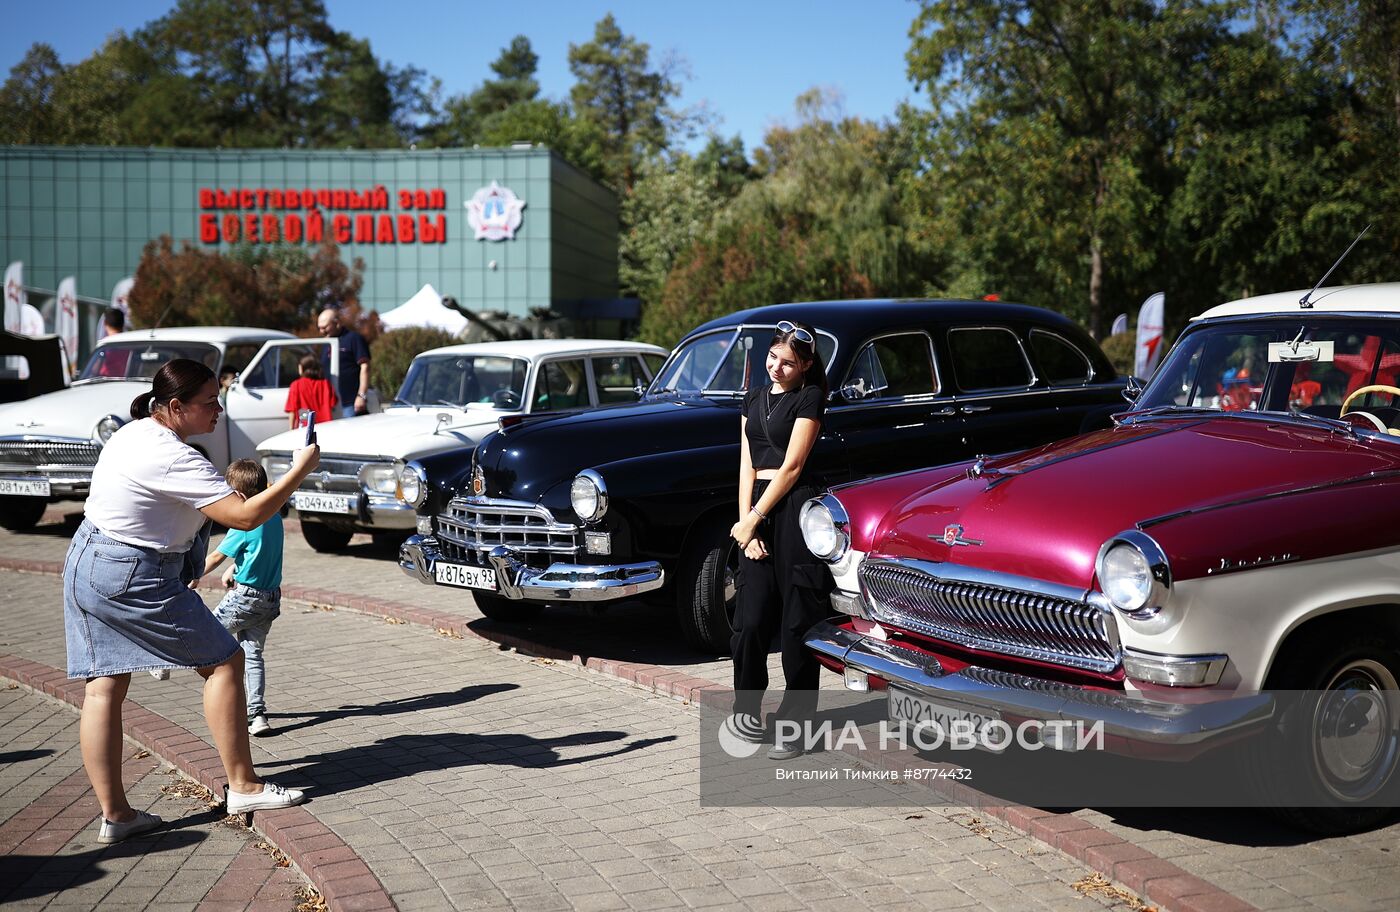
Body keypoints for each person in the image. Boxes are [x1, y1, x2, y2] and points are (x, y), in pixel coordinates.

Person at [64, 358, 320, 843]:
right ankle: (243, 785)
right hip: (132, 573)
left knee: (103, 688)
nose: (218, 409)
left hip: (86, 560)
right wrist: (298, 471)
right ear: (176, 407)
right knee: (225, 661)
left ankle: (116, 816)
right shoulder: (174, 456)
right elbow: (243, 516)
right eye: (209, 402)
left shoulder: (133, 431)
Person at [725, 320, 830, 760]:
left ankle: (798, 729)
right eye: (773, 358)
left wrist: (755, 517)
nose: (777, 368)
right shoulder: (753, 398)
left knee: (796, 624)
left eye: (788, 363)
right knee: (750, 622)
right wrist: (746, 527)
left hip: (794, 511)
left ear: (805, 365)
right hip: (756, 517)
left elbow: (791, 467)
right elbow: (746, 466)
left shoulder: (811, 398)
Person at [198, 459, 284, 737]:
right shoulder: (273, 515)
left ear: (240, 496)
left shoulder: (242, 524)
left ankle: (164, 664)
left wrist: (191, 577)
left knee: (202, 635)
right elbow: (259, 550)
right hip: (270, 598)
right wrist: (235, 568)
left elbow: (214, 556)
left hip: (245, 599)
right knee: (253, 654)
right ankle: (258, 716)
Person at [316, 307, 371, 417]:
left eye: (325, 327)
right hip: (330, 404)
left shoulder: (353, 338)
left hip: (351, 402)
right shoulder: (326, 343)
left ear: (337, 323)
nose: (322, 331)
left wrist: (361, 395)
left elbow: (365, 367)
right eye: (320, 328)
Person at [284, 354, 338, 429]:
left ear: (303, 367)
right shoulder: (325, 383)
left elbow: (292, 410)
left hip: (305, 424)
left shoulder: (296, 385)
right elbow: (333, 403)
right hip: (325, 425)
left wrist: (291, 428)